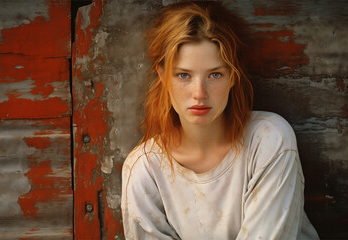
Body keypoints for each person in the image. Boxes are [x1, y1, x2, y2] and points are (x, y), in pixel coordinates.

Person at [121, 1, 319, 239]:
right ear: (163, 76)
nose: (199, 93)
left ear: (233, 76)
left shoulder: (269, 139)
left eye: (215, 74)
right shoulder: (143, 169)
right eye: (183, 75)